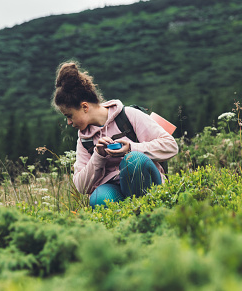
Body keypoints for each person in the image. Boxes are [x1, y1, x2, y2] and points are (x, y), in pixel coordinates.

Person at [52, 60, 179, 207]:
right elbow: (81, 187)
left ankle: (148, 213)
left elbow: (171, 146)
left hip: (147, 182)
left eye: (69, 115)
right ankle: (126, 222)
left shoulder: (129, 116)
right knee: (99, 199)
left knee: (133, 161)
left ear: (85, 107)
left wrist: (132, 148)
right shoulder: (84, 140)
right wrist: (98, 156)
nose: (68, 122)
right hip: (113, 189)